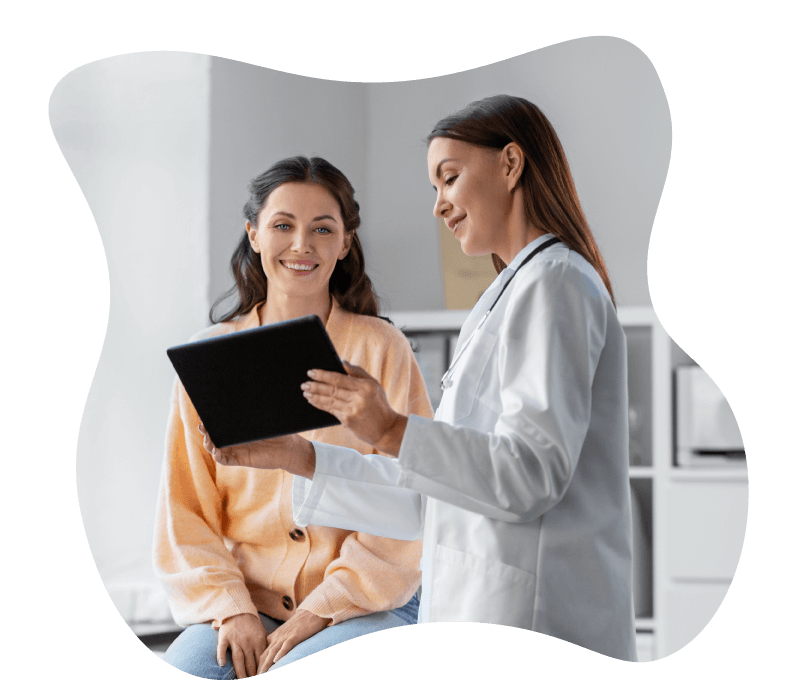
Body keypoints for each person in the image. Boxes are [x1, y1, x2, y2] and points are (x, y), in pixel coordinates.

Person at [202, 96, 638, 661]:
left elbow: (531, 475)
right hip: (481, 598)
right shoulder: (506, 297)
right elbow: (430, 497)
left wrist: (390, 428)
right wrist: (299, 457)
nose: (439, 207)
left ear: (510, 164)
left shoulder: (555, 284)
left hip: (535, 608)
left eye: (449, 179)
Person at [154, 156, 434, 679]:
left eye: (322, 229)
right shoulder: (209, 357)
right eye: (283, 225)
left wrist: (316, 611)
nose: (301, 245)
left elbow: (411, 504)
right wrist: (231, 607)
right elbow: (184, 510)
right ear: (254, 234)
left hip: (366, 601)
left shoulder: (382, 349)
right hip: (244, 601)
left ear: (345, 243)